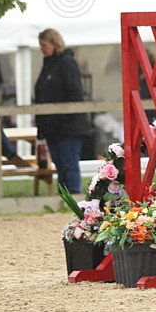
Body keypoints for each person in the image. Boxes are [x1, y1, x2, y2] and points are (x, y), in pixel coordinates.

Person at [34, 28, 92, 194]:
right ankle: (63, 196)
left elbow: (75, 93)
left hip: (68, 126)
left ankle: (73, 195)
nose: (41, 48)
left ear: (54, 44)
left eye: (43, 44)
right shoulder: (48, 66)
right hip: (52, 126)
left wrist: (64, 117)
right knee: (60, 165)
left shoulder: (66, 63)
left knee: (69, 164)